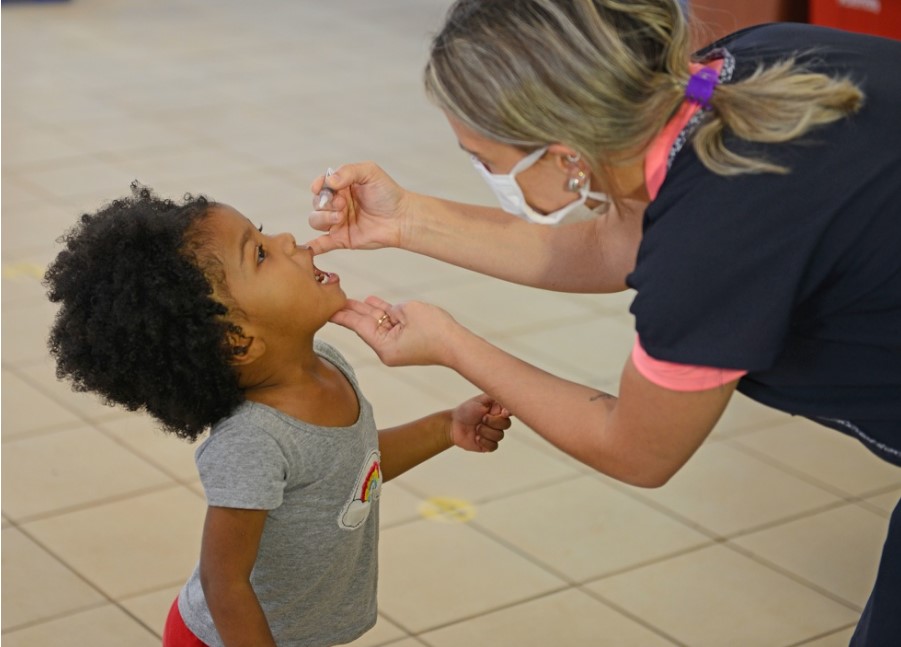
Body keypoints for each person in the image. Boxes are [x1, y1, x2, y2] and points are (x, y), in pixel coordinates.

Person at [304, 1, 901, 644]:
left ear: (566, 156)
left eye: (482, 157)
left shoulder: (712, 245)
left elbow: (637, 449)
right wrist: (405, 221)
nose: (482, 172)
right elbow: (618, 245)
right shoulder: (723, 71)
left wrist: (452, 343)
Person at [43, 184, 510, 647]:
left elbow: (349, 469)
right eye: (261, 255)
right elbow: (224, 582)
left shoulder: (327, 365)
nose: (287, 240)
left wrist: (445, 426)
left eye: (262, 235)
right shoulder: (254, 441)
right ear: (237, 341)